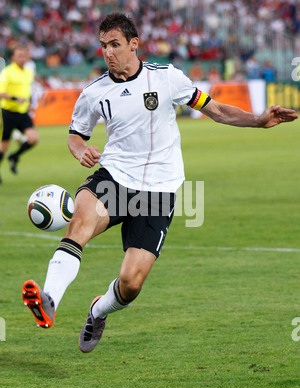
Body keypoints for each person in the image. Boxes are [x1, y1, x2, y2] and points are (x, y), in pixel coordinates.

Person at [22, 13, 298, 353]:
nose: (108, 52)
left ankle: (98, 310)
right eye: (103, 46)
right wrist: (81, 150)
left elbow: (215, 110)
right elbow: (76, 135)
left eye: (115, 45)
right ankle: (48, 300)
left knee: (131, 284)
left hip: (158, 191)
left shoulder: (167, 78)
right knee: (79, 223)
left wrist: (257, 120)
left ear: (134, 44)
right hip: (114, 179)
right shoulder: (94, 93)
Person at [0, 46, 39, 183]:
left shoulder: (28, 72)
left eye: (24, 55)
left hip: (22, 112)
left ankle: (14, 156)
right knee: (3, 146)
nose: (22, 58)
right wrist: (16, 98)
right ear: (13, 58)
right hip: (8, 112)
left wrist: (28, 104)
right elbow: (1, 92)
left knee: (33, 138)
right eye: (19, 55)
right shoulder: (7, 72)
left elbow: (26, 90)